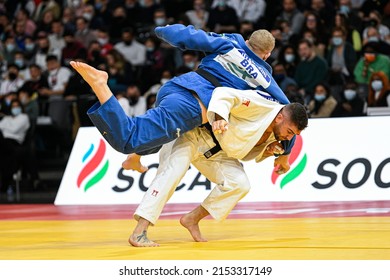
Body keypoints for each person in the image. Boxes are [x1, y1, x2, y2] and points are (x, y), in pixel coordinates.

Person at [70, 24, 295, 164]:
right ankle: (101, 85)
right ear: (267, 55)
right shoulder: (265, 76)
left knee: (157, 138)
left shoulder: (232, 42)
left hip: (176, 86)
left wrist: (161, 30)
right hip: (191, 107)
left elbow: (190, 36)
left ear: (247, 42)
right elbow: (289, 111)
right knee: (129, 139)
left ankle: (136, 159)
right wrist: (286, 151)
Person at [127, 87, 308, 246]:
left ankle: (192, 219)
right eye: (290, 131)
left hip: (215, 153)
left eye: (294, 135)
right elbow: (224, 93)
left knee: (240, 184)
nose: (289, 138)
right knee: (172, 173)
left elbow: (241, 151)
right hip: (193, 135)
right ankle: (139, 231)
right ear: (279, 117)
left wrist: (265, 151)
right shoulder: (261, 103)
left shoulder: (277, 134)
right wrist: (220, 117)